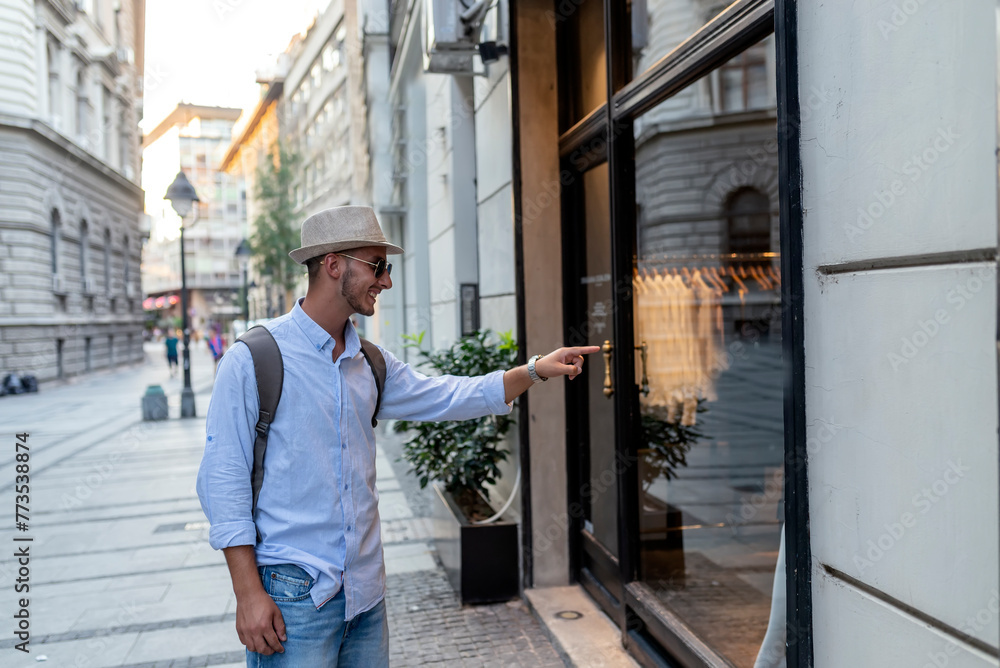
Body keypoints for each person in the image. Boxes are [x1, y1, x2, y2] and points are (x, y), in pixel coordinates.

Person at [196, 206, 599, 667]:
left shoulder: (369, 362)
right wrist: (248, 594)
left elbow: (449, 395)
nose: (386, 281)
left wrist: (533, 369)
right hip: (293, 598)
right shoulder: (253, 359)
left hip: (365, 597)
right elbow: (222, 481)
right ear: (333, 265)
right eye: (378, 266)